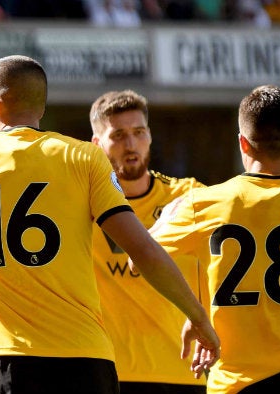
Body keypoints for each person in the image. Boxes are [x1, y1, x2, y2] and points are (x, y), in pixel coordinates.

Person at [0, 55, 220, 394]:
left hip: (8, 354)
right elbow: (142, 248)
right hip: (86, 358)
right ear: (40, 107)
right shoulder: (83, 156)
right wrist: (198, 315)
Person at [149, 85, 280, 393]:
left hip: (235, 382)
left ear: (242, 144)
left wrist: (195, 313)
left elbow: (138, 258)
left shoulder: (201, 203)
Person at [89, 90, 207, 393]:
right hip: (107, 373)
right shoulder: (81, 203)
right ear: (97, 144)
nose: (131, 145)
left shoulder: (187, 195)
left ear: (150, 136)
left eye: (139, 133)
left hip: (182, 372)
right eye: (118, 135)